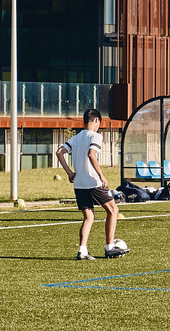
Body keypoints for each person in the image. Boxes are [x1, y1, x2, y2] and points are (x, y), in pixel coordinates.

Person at [56, 108, 125, 260]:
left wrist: (69, 173)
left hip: (79, 183)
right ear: (95, 120)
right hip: (93, 182)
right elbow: (91, 154)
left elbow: (59, 152)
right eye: (98, 122)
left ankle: (82, 251)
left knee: (89, 217)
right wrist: (102, 176)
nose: (98, 125)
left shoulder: (76, 137)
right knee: (113, 210)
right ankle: (109, 247)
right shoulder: (96, 136)